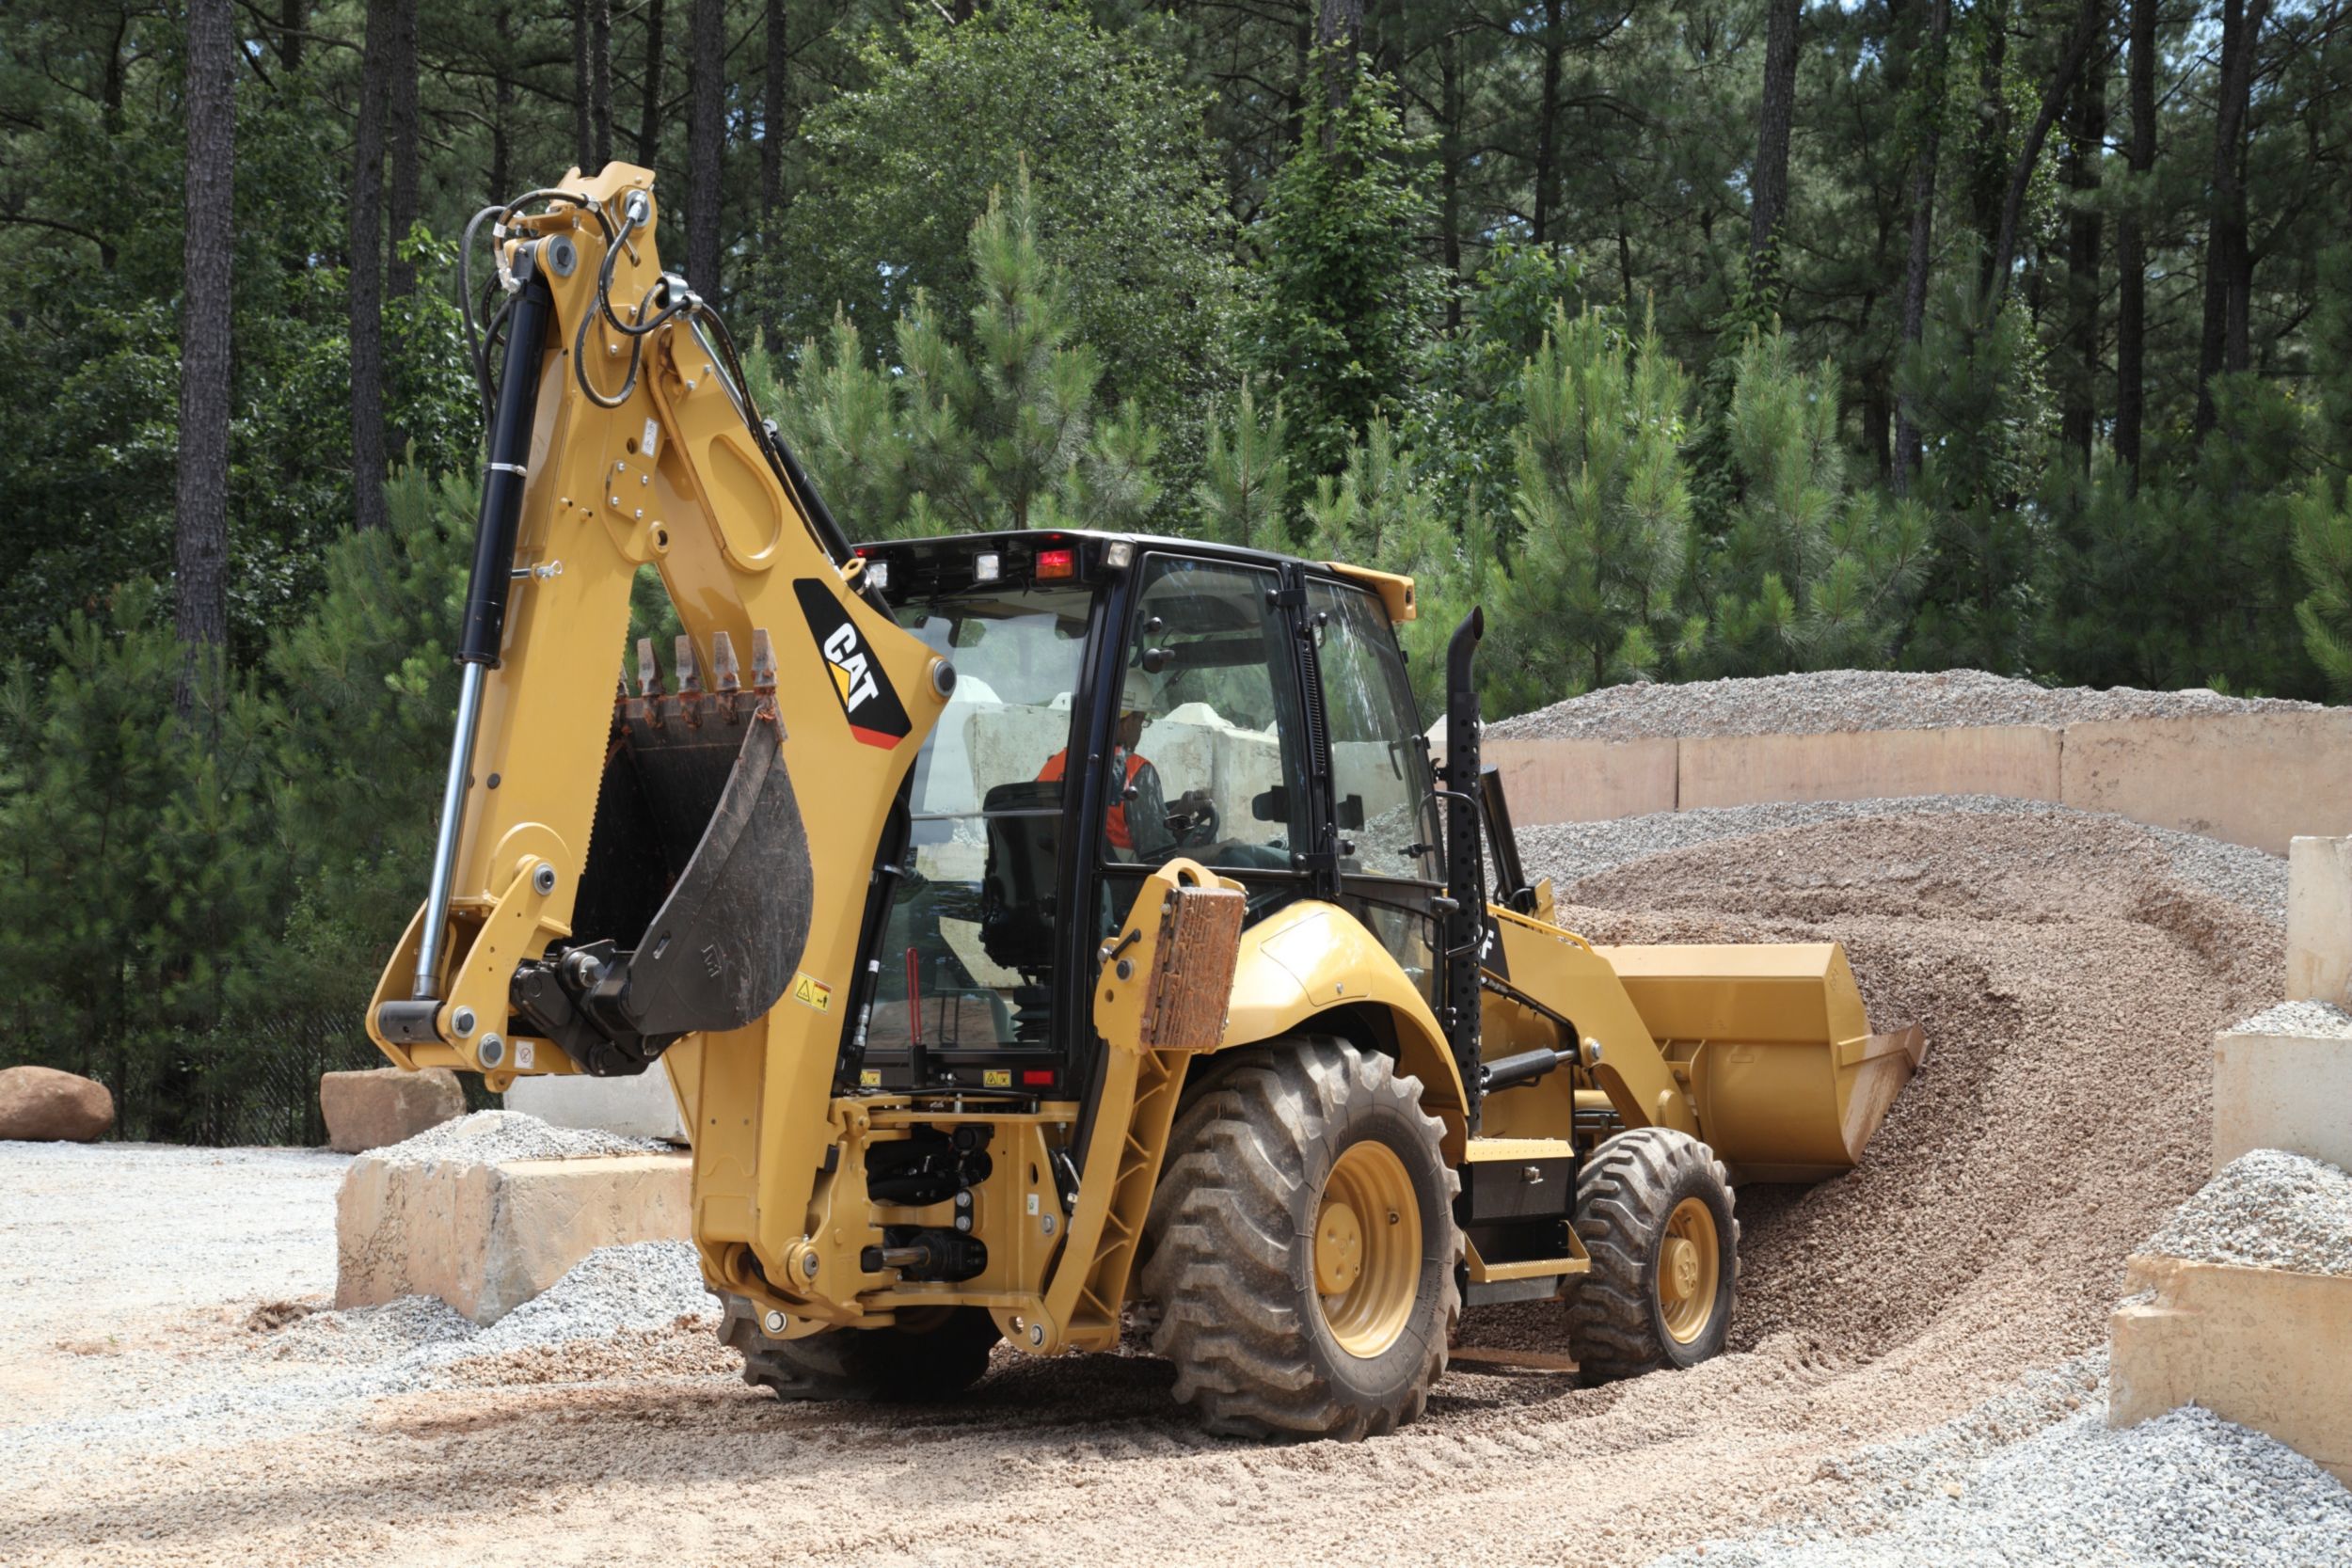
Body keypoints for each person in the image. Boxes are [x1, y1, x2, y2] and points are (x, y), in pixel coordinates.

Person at [1037, 701, 1207, 861]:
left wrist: (1180, 812)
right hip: (1123, 881)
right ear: (1127, 724)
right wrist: (1220, 850)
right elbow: (1159, 856)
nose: (1140, 731)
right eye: (1141, 722)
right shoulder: (1137, 771)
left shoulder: (1051, 766)